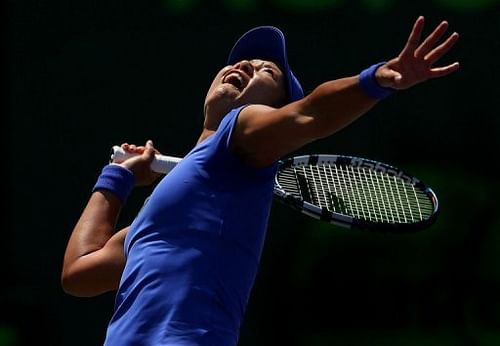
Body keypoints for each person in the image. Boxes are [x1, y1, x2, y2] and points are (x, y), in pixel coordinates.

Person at [61, 16, 459, 345]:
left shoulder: (242, 129)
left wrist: (375, 80)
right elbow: (79, 274)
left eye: (267, 70)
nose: (246, 65)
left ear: (273, 109)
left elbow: (311, 114)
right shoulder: (163, 211)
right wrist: (117, 179)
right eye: (242, 60)